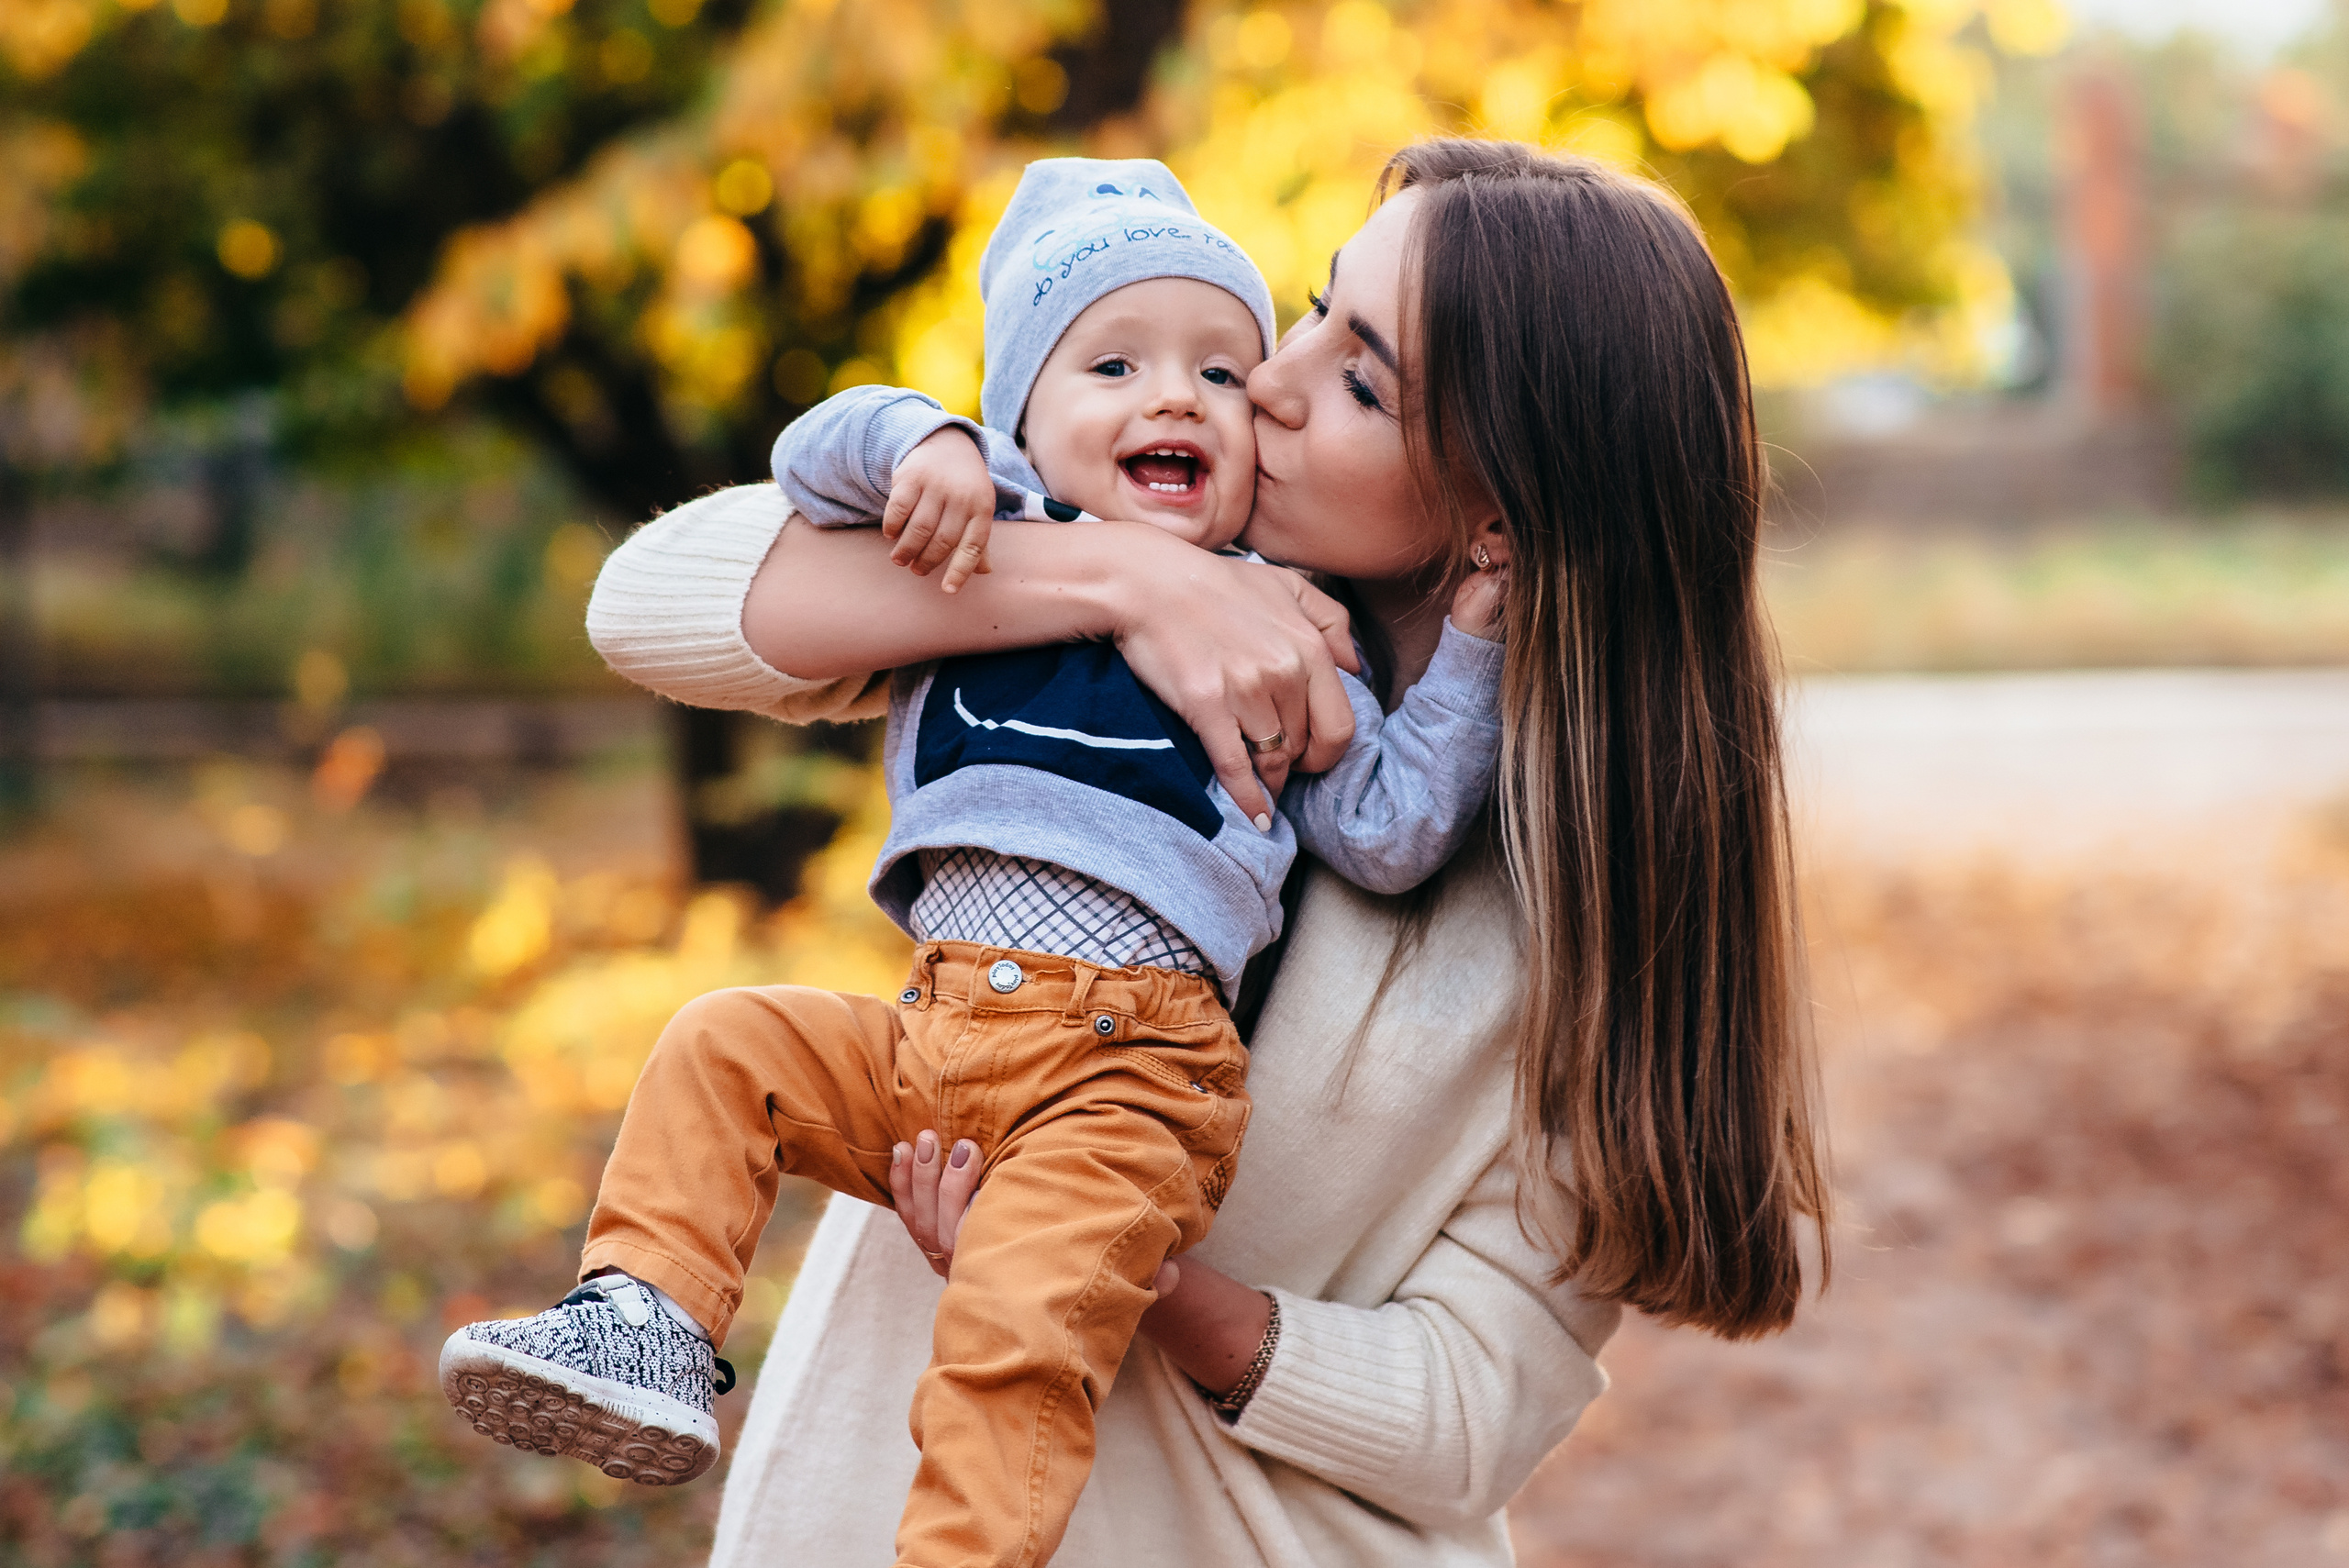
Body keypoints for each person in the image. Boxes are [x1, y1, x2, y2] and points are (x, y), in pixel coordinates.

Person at [585, 139, 1831, 1567]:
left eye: (1363, 381)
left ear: (1498, 521)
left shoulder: (1573, 912)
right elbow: (651, 603)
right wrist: (1127, 577)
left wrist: (1118, 1261)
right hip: (856, 1514)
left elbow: (1476, 1409)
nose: (1272, 381)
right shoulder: (1088, 597)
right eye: (1313, 308)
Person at [437, 156, 1506, 1567]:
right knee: (724, 1041)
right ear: (1020, 417)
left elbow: (1388, 823)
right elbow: (790, 477)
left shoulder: (1293, 627)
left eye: (1218, 372)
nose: (1175, 397)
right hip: (934, 1032)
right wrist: (925, 445)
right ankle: (647, 1314)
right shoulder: (971, 543)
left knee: (1017, 1331)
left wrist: (1476, 642)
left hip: (1130, 1077)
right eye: (1112, 363)